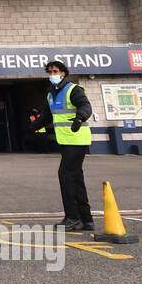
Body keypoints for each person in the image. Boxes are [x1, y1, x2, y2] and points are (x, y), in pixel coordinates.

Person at [35, 60, 94, 231]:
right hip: (66, 141)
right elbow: (47, 116)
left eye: (55, 71)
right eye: (50, 72)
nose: (52, 74)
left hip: (77, 139)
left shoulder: (73, 89)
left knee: (65, 175)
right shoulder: (51, 94)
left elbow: (85, 105)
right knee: (76, 178)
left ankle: (73, 218)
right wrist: (33, 126)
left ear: (63, 73)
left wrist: (80, 118)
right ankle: (86, 219)